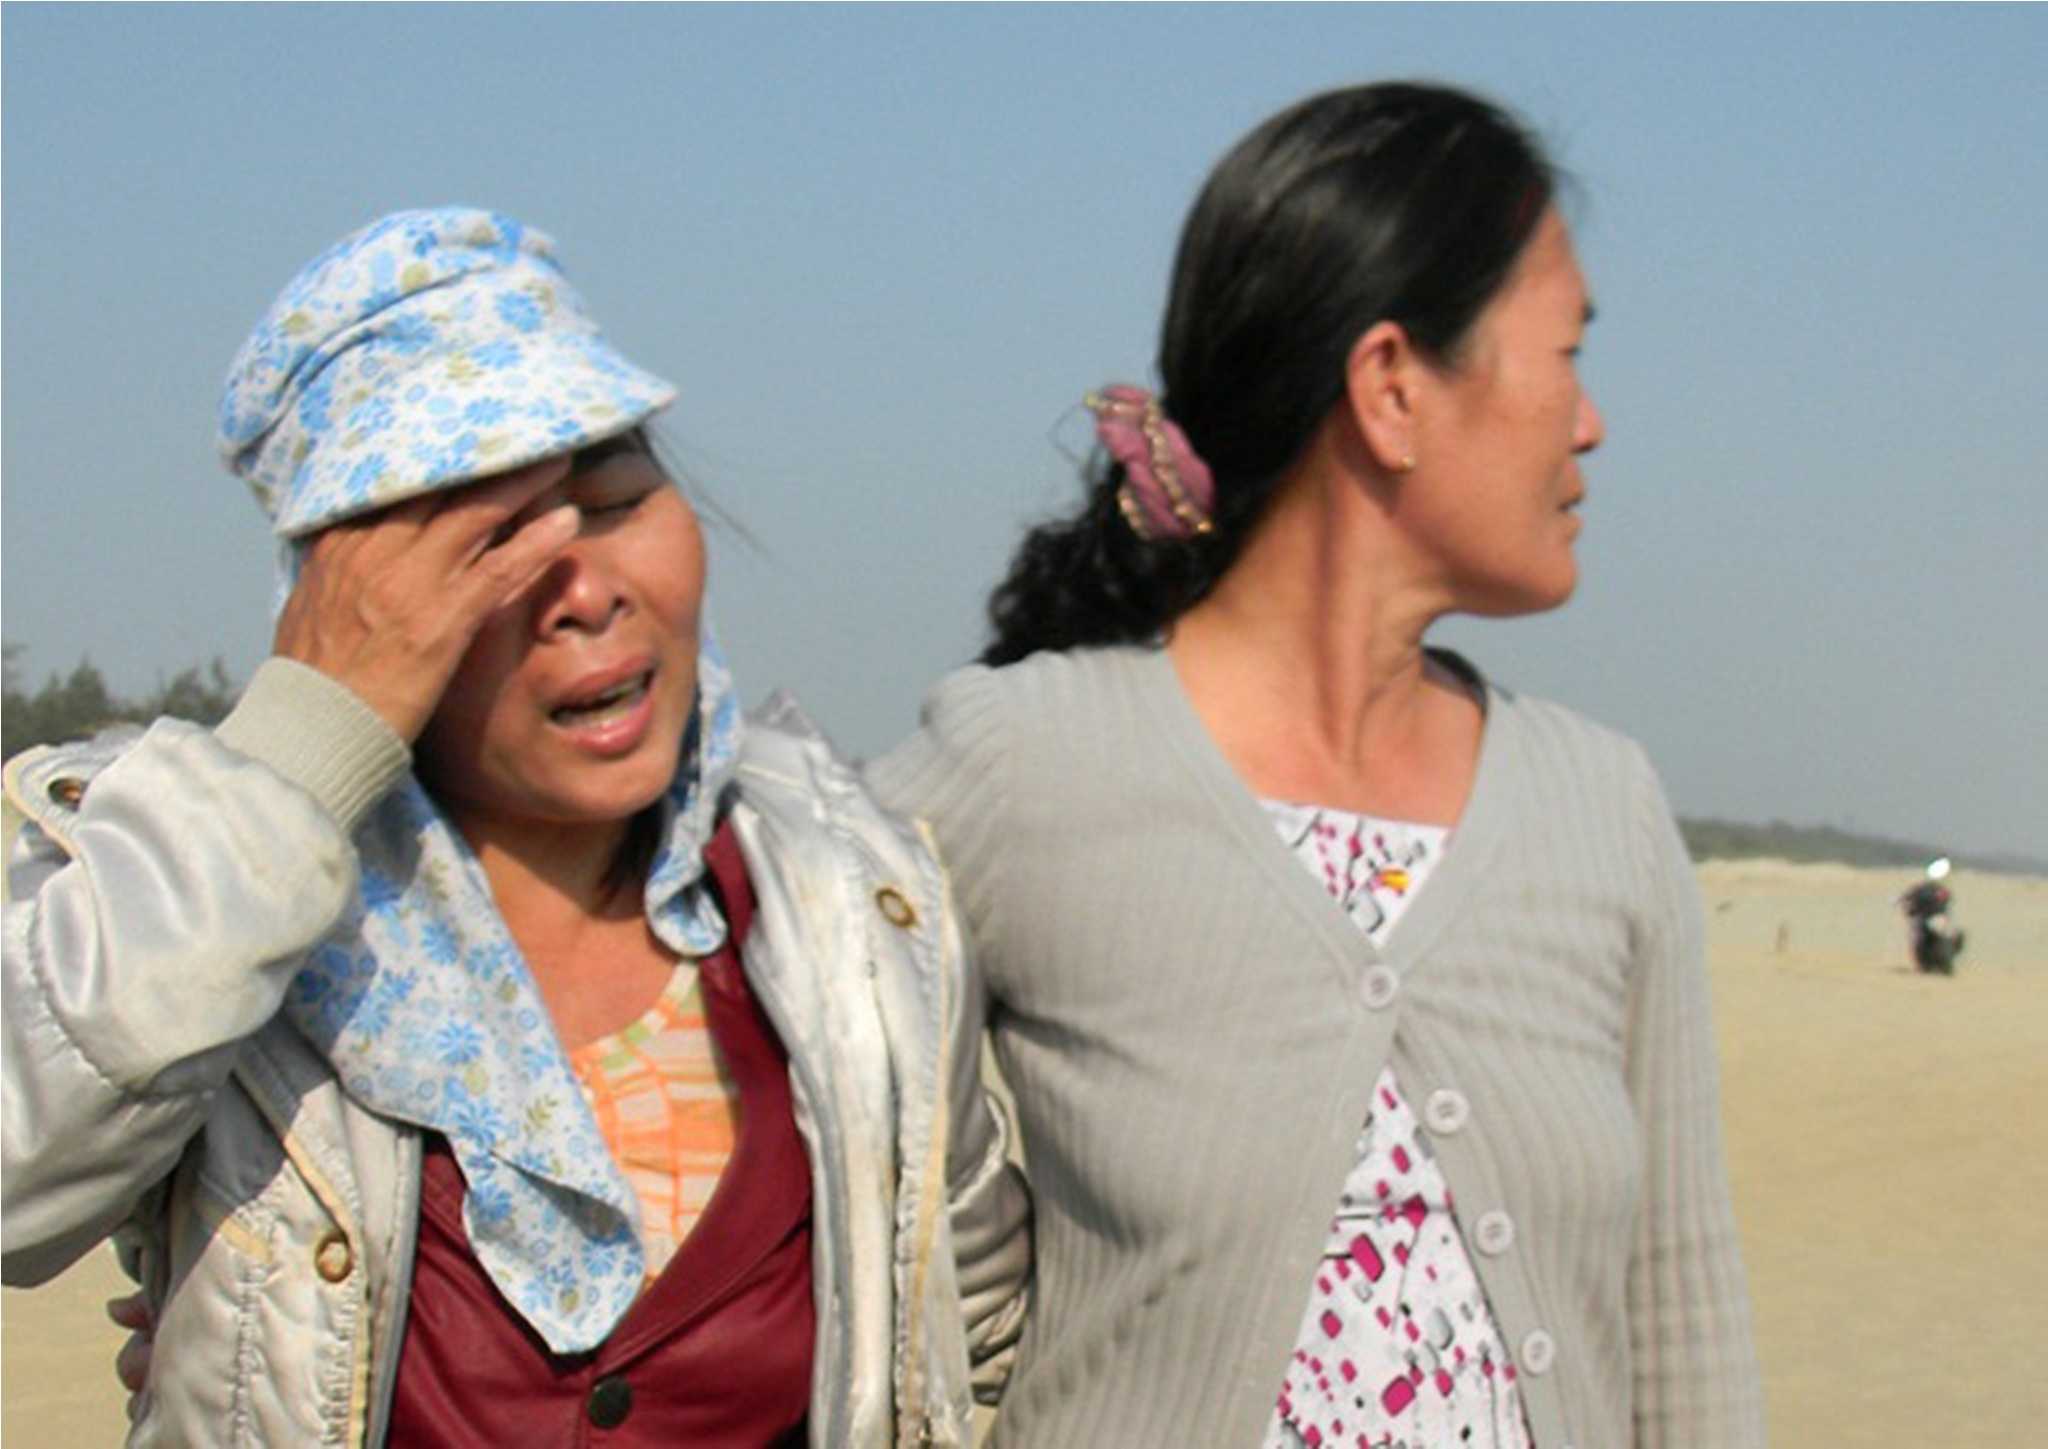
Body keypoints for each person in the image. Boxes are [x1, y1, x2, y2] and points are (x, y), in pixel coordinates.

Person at [2, 207, 1028, 1446]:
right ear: (350, 613)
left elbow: (965, 1329)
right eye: (487, 545)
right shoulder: (197, 902)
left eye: (613, 499)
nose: (582, 593)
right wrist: (294, 749)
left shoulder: (846, 904)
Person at [871, 82, 1764, 1446]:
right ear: (1392, 387)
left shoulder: (1603, 809)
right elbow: (801, 1042)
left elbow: (1681, 1319)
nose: (1589, 423)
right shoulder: (1029, 764)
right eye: (1566, 354)